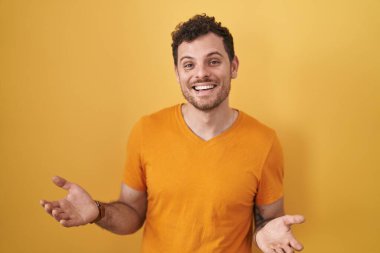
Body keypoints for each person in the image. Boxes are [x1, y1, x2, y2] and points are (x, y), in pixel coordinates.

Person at [40, 14, 305, 253]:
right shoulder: (147, 131)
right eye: (188, 65)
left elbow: (268, 220)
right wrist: (98, 212)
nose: (201, 73)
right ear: (177, 73)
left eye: (213, 61)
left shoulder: (264, 141)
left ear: (233, 66)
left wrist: (265, 234)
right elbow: (132, 213)